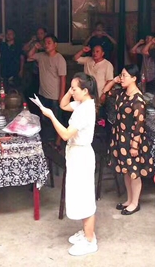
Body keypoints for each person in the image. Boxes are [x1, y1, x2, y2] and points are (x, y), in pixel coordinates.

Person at [40, 73, 98, 256]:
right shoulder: (81, 103)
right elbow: (63, 105)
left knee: (85, 197)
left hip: (82, 155)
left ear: (85, 91)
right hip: (75, 154)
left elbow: (65, 135)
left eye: (74, 89)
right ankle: (86, 232)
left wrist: (51, 116)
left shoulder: (85, 109)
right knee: (79, 194)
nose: (71, 92)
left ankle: (90, 240)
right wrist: (71, 90)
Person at [102, 65, 154, 215]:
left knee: (133, 172)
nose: (122, 78)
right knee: (125, 170)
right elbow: (105, 92)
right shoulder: (122, 93)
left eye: (124, 75)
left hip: (132, 140)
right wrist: (114, 80)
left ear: (134, 78)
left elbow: (139, 124)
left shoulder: (138, 99)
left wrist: (134, 146)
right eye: (121, 75)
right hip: (121, 137)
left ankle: (135, 203)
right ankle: (129, 199)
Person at [27, 34, 67, 143]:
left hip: (55, 96)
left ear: (55, 45)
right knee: (45, 119)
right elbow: (29, 56)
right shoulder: (41, 56)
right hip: (43, 94)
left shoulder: (60, 59)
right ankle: (48, 140)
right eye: (45, 43)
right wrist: (35, 47)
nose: (46, 45)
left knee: (57, 119)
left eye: (49, 43)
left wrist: (61, 96)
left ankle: (58, 142)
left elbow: (63, 78)